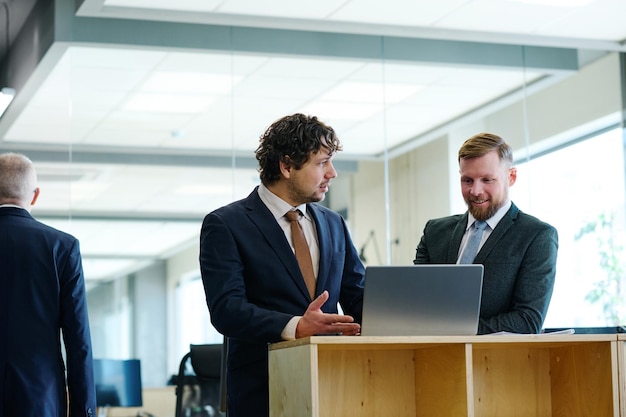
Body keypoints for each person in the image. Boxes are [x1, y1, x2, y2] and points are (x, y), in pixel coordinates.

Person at [199, 113, 364, 417]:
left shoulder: (334, 224)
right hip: (262, 393)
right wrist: (296, 327)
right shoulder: (226, 224)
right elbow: (227, 309)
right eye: (321, 163)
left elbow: (358, 296)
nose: (333, 173)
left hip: (334, 386)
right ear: (287, 166)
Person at [413, 132, 558, 334]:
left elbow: (527, 320)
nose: (475, 191)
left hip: (495, 361)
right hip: (430, 357)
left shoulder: (537, 236)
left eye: (487, 180)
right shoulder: (435, 232)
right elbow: (415, 303)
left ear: (511, 176)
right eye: (468, 181)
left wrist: (452, 331)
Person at [0, 153, 96, 417]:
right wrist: (83, 411)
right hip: (39, 398)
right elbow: (78, 342)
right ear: (35, 195)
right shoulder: (62, 247)